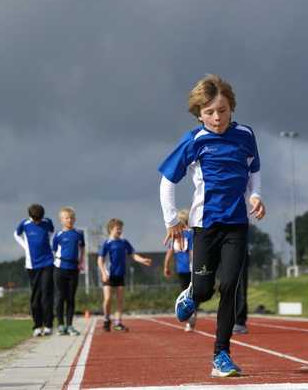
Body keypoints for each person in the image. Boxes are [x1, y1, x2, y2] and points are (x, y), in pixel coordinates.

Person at [158, 74, 265, 377]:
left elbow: (254, 169)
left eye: (222, 110)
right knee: (205, 291)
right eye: (209, 112)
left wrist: (256, 196)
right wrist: (171, 221)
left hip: (237, 224)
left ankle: (221, 354)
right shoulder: (193, 141)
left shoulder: (245, 134)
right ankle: (192, 294)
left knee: (230, 285)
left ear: (232, 107)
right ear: (198, 113)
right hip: (204, 226)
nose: (217, 118)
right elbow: (167, 181)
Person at [97, 218, 152, 332]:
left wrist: (142, 260)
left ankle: (118, 322)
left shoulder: (124, 242)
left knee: (119, 299)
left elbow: (132, 254)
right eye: (117, 228)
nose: (120, 231)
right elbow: (100, 259)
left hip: (120, 274)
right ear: (110, 229)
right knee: (107, 299)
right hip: (108, 274)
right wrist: (103, 273)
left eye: (121, 229)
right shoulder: (107, 243)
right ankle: (107, 319)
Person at [14, 204, 55, 337]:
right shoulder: (24, 224)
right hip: (32, 264)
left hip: (48, 261)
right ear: (30, 216)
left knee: (47, 292)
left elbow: (51, 232)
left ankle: (48, 324)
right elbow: (16, 234)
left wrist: (49, 243)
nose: (38, 222)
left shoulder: (47, 222)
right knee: (36, 295)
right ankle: (37, 326)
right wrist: (26, 246)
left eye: (39, 220)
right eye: (35, 220)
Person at [52, 207, 85, 336]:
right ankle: (60, 325)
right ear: (61, 220)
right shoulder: (58, 235)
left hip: (73, 269)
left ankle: (70, 325)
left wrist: (80, 261)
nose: (69, 220)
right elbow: (54, 250)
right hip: (60, 268)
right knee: (60, 296)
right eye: (67, 218)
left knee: (71, 297)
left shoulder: (78, 233)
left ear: (74, 219)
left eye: (71, 218)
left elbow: (82, 247)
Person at [163, 209, 196, 332]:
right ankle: (190, 317)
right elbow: (170, 251)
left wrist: (166, 266)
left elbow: (191, 251)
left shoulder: (189, 234)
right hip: (182, 268)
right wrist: (166, 266)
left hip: (189, 268)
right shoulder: (177, 234)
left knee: (188, 293)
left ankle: (190, 317)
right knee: (188, 293)